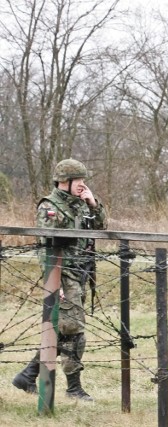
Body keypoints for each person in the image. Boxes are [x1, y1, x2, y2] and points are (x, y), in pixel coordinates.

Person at [12, 159, 107, 400]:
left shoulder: (81, 204)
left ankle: (28, 374)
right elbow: (45, 248)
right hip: (62, 274)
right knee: (74, 331)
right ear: (65, 181)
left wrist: (93, 204)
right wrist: (53, 283)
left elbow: (100, 228)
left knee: (61, 328)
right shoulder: (50, 206)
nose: (83, 185)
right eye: (79, 181)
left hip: (80, 273)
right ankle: (73, 388)